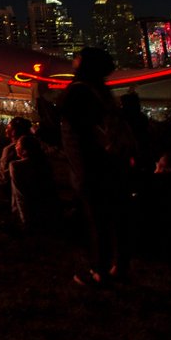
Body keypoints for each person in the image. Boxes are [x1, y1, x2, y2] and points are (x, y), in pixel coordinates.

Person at [58, 46, 132, 286]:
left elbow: (73, 128)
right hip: (112, 162)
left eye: (78, 57)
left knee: (96, 219)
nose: (74, 59)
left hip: (89, 164)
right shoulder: (101, 90)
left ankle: (98, 270)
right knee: (115, 216)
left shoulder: (78, 92)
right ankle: (118, 265)